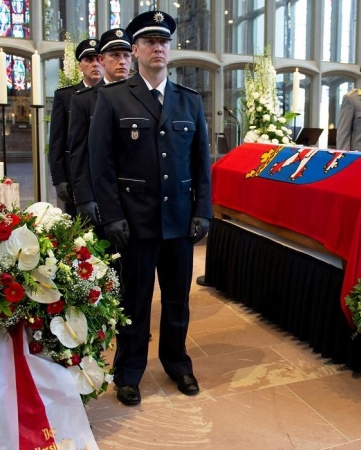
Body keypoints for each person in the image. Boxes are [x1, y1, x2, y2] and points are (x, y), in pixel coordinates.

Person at [88, 10, 212, 406]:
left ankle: (177, 363)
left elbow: (200, 163)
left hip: (178, 221)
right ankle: (128, 371)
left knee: (178, 301)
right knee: (134, 302)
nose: (158, 48)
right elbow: (100, 164)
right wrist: (112, 216)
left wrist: (202, 210)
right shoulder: (112, 98)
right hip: (134, 224)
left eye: (164, 42)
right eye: (149, 42)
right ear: (136, 50)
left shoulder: (188, 101)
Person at [69, 29, 133, 226]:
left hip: (134, 196)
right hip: (99, 194)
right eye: (114, 55)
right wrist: (84, 198)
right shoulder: (84, 100)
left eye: (126, 55)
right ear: (102, 59)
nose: (122, 61)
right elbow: (78, 153)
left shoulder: (142, 97)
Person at [48, 38, 103, 217]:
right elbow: (57, 141)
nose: (95, 64)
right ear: (80, 66)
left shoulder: (116, 94)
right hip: (76, 179)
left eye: (98, 59)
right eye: (89, 60)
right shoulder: (66, 96)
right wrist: (59, 180)